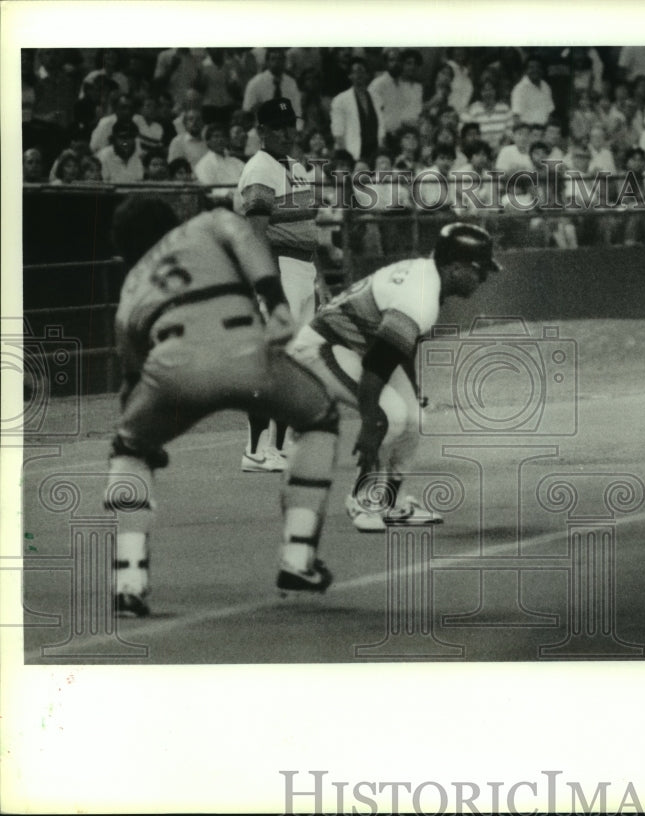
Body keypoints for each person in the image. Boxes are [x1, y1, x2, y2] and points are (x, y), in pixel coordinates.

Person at [104, 197, 342, 617]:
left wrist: (141, 439)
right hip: (246, 350)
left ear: (126, 250)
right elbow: (247, 239)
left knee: (128, 452)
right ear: (173, 220)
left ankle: (129, 579)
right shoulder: (207, 223)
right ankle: (299, 558)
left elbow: (132, 379)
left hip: (172, 367)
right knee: (319, 417)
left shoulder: (130, 288)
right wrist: (277, 303)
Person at [287, 222, 501, 532]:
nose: (483, 278)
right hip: (320, 350)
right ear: (455, 268)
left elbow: (399, 348)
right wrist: (372, 424)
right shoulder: (421, 296)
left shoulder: (428, 276)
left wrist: (411, 392)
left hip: (359, 347)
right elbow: (377, 365)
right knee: (391, 414)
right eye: (479, 270)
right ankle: (364, 499)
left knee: (414, 417)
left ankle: (391, 502)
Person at [233, 97, 329, 472]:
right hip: (281, 271)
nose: (289, 133)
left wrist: (318, 276)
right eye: (279, 127)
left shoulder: (295, 166)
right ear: (262, 132)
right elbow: (257, 235)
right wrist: (270, 288)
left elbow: (307, 227)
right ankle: (255, 450)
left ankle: (279, 444)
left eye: (292, 125)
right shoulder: (259, 169)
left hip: (302, 270)